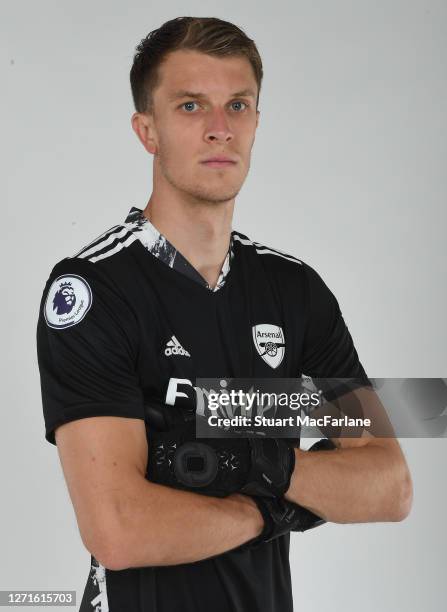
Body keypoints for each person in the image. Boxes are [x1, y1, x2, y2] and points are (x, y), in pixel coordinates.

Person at [36, 16, 413, 612]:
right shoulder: (93, 289)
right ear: (147, 130)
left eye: (238, 105)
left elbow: (388, 485)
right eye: (190, 106)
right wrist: (273, 506)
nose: (219, 129)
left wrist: (257, 462)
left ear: (257, 122)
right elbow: (118, 530)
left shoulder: (296, 291)